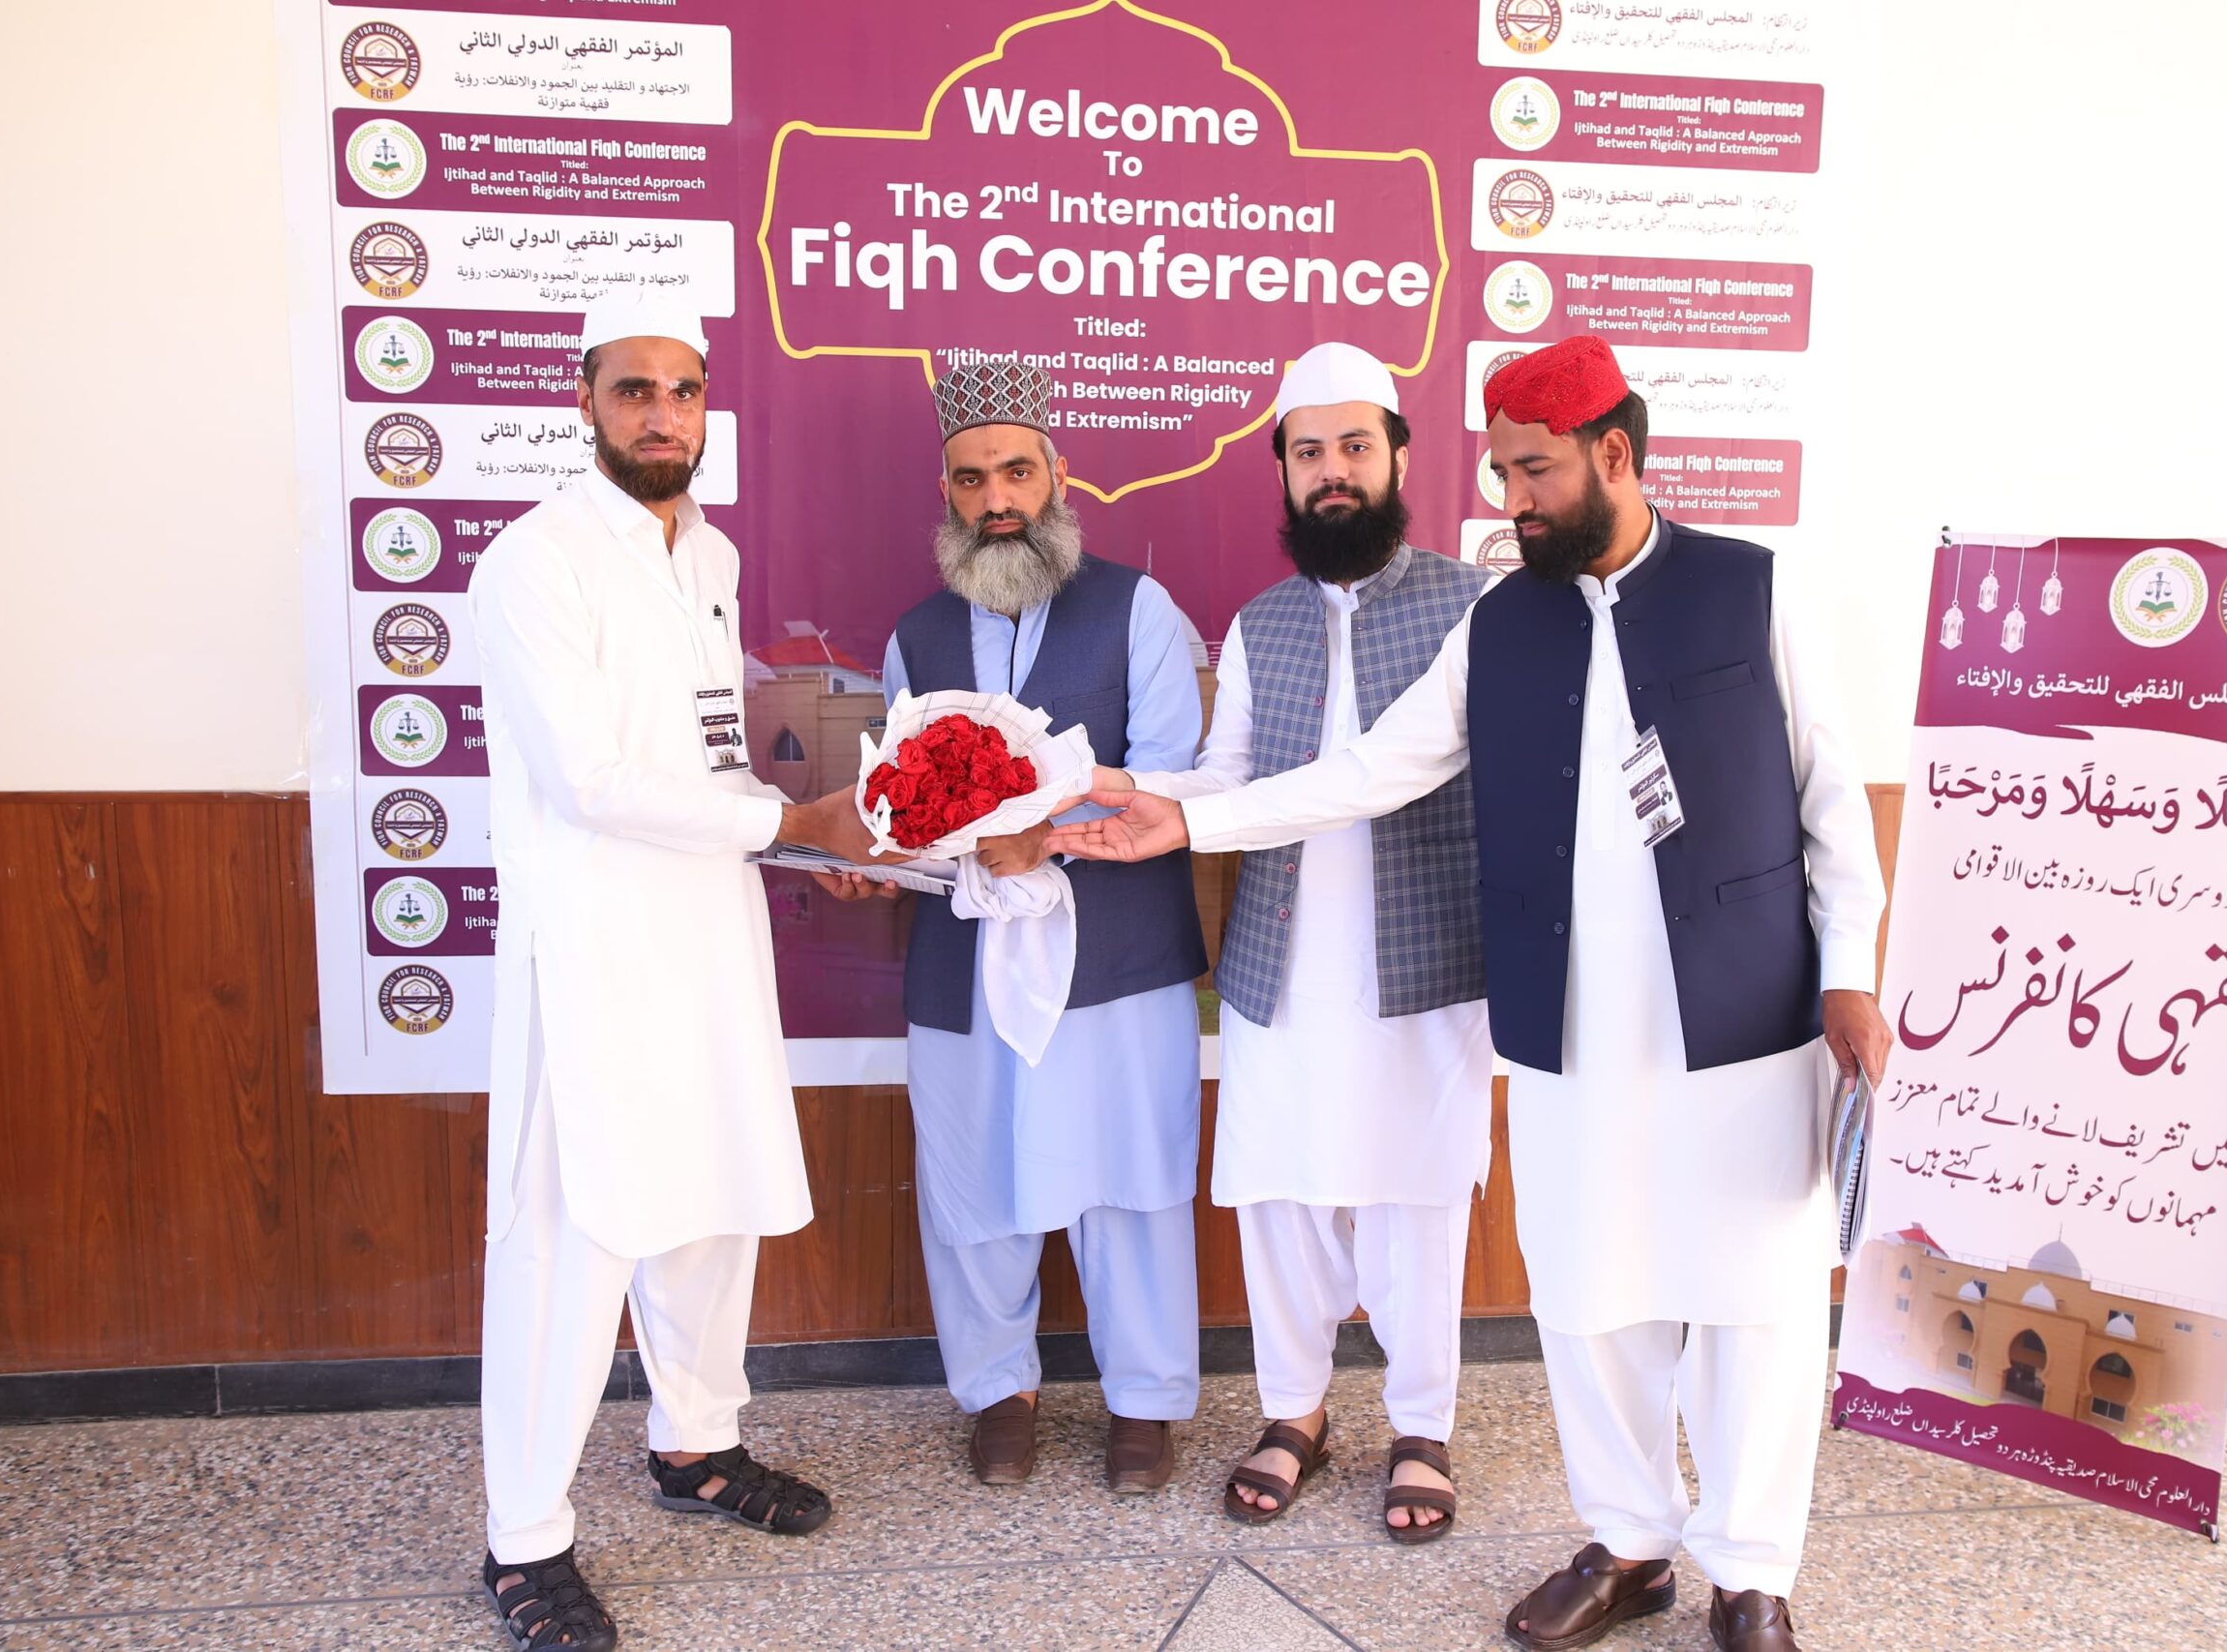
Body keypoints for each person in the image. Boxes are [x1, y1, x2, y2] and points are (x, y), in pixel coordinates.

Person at [1052, 334, 1891, 1651]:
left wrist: (1848, 974)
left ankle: (1751, 1572)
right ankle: (1629, 1543)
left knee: (1754, 1296)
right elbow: (1369, 770)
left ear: (1615, 453)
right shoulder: (1500, 621)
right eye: (1501, 473)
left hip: (1745, 1010)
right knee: (1590, 1291)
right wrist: (1186, 820)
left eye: (1536, 471)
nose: (1514, 498)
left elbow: (1830, 801)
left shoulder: (1753, 588)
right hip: (1568, 1023)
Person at [469, 295, 873, 1652]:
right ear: (585, 401)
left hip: (710, 923)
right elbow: (589, 779)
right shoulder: (536, 560)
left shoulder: (709, 551)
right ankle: (525, 1537)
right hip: (591, 946)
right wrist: (791, 821)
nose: (663, 414)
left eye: (685, 390)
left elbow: (709, 745)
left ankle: (695, 1445)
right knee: (569, 1237)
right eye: (634, 389)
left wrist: (807, 829)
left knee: (712, 1201)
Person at [1106, 343, 1490, 1540]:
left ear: (1400, 458)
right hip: (1278, 960)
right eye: (1309, 452)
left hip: (1424, 956)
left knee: (1416, 1196)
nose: (1333, 472)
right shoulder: (1258, 621)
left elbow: (1382, 773)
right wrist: (1115, 795)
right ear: (1281, 470)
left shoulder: (1475, 606)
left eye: (1355, 447)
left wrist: (1186, 815)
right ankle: (1295, 1413)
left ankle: (1420, 1427)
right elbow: (1223, 776)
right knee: (1278, 1194)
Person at [876, 357, 1209, 1492]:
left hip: (1119, 952)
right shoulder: (915, 637)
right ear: (946, 491)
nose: (998, 499)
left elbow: (1174, 776)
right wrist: (891, 851)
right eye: (973, 480)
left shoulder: (1137, 609)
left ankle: (1145, 1400)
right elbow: (901, 797)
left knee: (1134, 1174)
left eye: (1017, 472)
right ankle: (996, 1391)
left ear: (1057, 474)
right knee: (971, 1175)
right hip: (963, 952)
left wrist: (1045, 836)